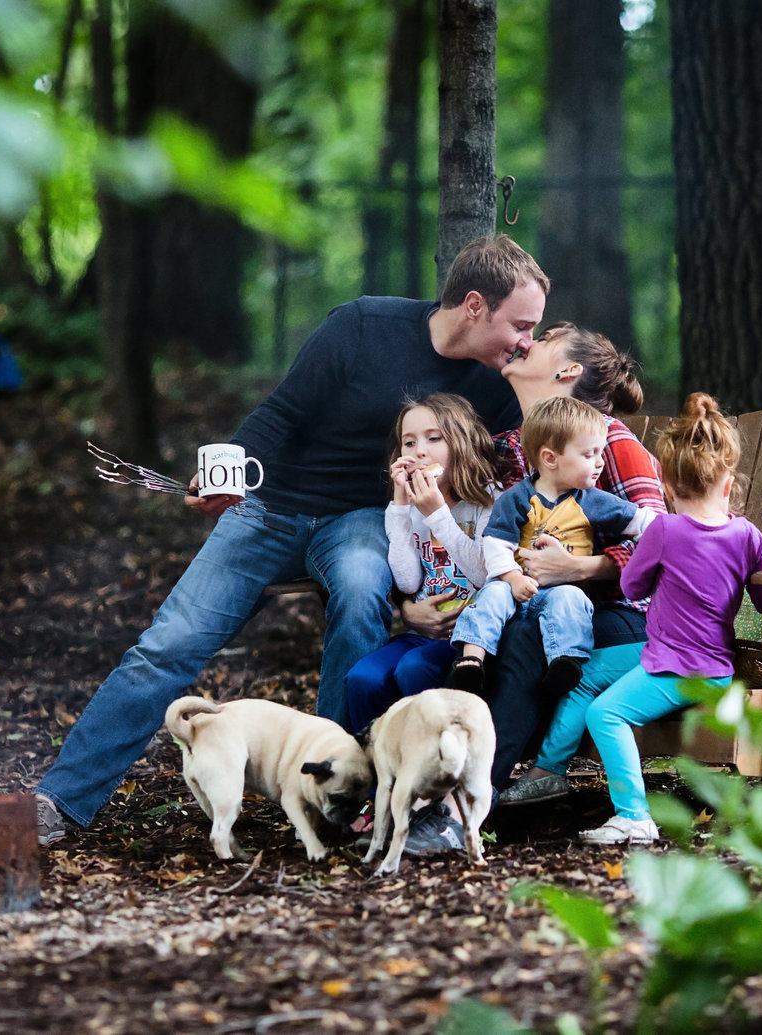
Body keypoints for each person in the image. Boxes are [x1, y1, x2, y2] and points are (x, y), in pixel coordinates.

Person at [34, 236, 549, 845]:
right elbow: (281, 413)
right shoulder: (362, 326)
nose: (527, 341)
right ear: (473, 306)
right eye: (521, 325)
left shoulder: (497, 388)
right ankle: (62, 801)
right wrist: (223, 474)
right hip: (270, 508)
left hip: (363, 520)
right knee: (169, 643)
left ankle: (328, 785)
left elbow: (528, 469)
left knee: (361, 597)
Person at [394, 324, 663, 856]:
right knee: (491, 634)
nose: (525, 339)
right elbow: (469, 535)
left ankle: (462, 809)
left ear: (566, 371)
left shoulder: (611, 441)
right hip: (521, 600)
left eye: (543, 337)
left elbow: (662, 546)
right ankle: (409, 788)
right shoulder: (509, 449)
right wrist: (407, 601)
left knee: (521, 636)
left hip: (621, 616)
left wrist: (577, 569)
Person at [518, 392, 762, 845]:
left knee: (605, 714)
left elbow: (632, 587)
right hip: (701, 662)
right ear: (729, 483)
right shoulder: (748, 535)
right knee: (586, 673)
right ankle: (549, 772)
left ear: (668, 487)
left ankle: (634, 815)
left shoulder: (663, 530)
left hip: (679, 669)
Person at [448, 396, 655, 695]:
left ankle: (565, 662)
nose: (600, 462)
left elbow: (642, 520)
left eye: (601, 452)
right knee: (491, 595)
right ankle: (471, 660)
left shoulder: (592, 500)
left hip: (560, 589)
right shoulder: (518, 498)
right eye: (589, 454)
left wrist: (675, 532)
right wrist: (512, 577)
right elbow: (495, 542)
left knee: (571, 601)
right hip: (515, 589)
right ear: (550, 458)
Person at [342, 394, 500, 736]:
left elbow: (486, 574)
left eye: (434, 438)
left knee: (413, 669)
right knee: (362, 677)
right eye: (408, 442)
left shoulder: (489, 501)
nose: (419, 451)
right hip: (422, 634)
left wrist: (437, 515)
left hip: (471, 638)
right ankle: (376, 777)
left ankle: (430, 770)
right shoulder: (409, 510)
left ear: (461, 443)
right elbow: (409, 581)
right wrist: (400, 507)